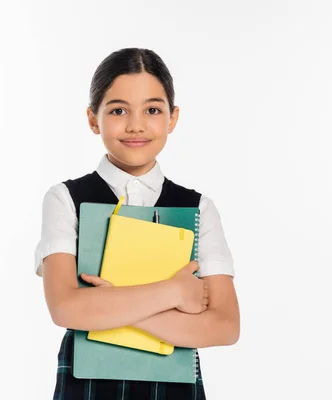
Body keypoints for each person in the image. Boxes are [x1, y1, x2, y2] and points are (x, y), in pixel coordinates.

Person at [34, 47, 240, 399]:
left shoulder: (198, 208)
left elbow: (224, 326)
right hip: (87, 386)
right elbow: (66, 308)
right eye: (118, 110)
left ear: (173, 118)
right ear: (92, 118)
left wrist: (106, 308)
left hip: (174, 386)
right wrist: (173, 293)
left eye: (153, 109)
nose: (136, 124)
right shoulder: (65, 199)